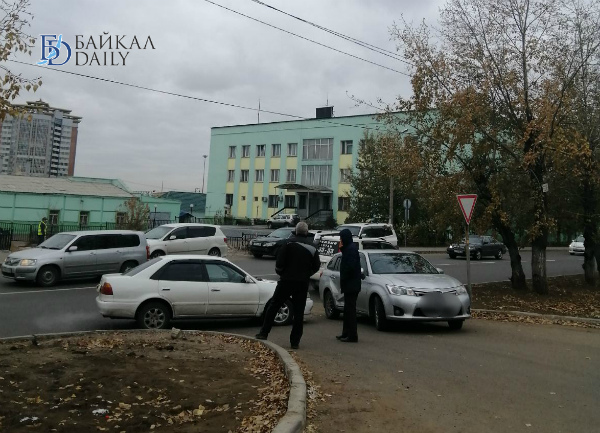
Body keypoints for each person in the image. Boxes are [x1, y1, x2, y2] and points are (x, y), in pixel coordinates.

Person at [256, 221, 320, 349]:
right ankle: (295, 342)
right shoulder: (313, 247)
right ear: (306, 232)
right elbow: (316, 266)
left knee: (274, 305)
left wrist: (282, 273)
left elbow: (279, 262)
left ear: (295, 231)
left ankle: (264, 333)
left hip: (286, 280)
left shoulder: (287, 243)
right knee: (299, 312)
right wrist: (307, 274)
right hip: (302, 283)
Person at [337, 228, 361, 343]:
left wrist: (344, 277)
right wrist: (342, 249)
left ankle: (352, 335)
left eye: (341, 238)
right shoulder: (349, 248)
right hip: (350, 284)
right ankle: (345, 333)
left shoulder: (351, 249)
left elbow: (350, 266)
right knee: (347, 310)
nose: (340, 240)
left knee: (350, 311)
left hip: (351, 284)